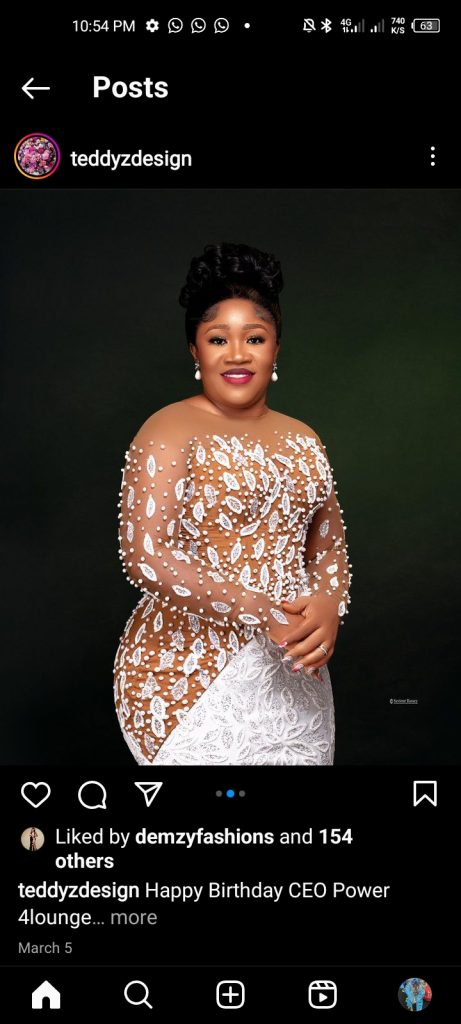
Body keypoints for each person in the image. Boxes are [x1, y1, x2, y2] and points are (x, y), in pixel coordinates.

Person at [114, 242, 352, 765]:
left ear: (276, 348)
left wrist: (329, 606)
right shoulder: (169, 428)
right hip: (186, 671)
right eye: (218, 338)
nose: (237, 354)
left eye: (255, 338)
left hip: (294, 668)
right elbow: (146, 554)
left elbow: (328, 549)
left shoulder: (304, 438)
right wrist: (261, 611)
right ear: (194, 351)